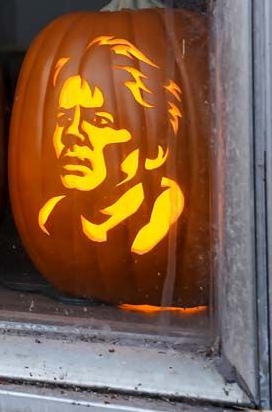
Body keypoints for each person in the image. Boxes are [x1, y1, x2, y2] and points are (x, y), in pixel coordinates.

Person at [37, 36, 186, 255]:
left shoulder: (160, 217)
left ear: (156, 150)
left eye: (99, 121)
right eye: (64, 120)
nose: (71, 134)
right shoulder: (54, 215)